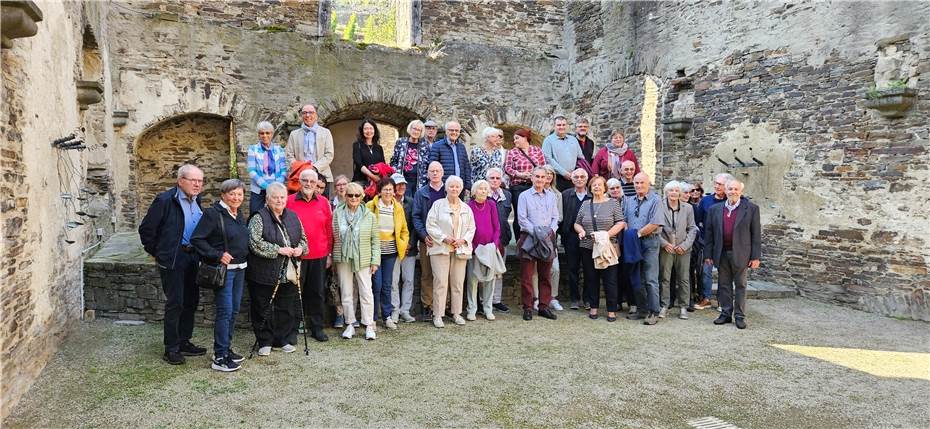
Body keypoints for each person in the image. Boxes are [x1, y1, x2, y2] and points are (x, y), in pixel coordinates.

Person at [139, 164, 206, 365]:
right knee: (175, 303)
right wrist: (160, 254)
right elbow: (146, 231)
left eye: (200, 181)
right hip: (174, 259)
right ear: (180, 181)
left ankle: (184, 341)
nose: (197, 184)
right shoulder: (165, 200)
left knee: (191, 301)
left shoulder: (197, 200)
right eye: (193, 180)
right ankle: (171, 348)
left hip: (192, 257)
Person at [190, 179, 249, 372]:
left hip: (240, 268)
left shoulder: (237, 212)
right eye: (232, 194)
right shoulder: (213, 214)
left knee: (233, 311)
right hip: (224, 272)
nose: (236, 197)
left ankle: (226, 348)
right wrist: (217, 255)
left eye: (239, 194)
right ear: (223, 194)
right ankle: (220, 357)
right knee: (225, 312)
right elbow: (197, 239)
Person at [247, 182, 308, 355]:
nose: (279, 200)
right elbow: (254, 243)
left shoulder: (293, 216)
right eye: (275, 197)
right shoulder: (259, 217)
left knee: (286, 307)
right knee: (262, 306)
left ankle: (282, 340)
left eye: (282, 197)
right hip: (264, 271)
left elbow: (304, 239)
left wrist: (300, 249)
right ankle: (265, 341)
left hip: (288, 271)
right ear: (267, 199)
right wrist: (278, 250)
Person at [704, 179, 761, 330]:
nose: (733, 192)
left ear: (741, 191)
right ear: (725, 190)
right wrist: (708, 255)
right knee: (724, 285)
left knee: (741, 285)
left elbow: (756, 234)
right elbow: (709, 234)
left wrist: (755, 257)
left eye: (736, 189)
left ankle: (740, 316)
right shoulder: (715, 209)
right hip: (721, 253)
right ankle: (725, 313)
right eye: (730, 189)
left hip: (742, 253)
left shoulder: (751, 209)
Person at [286, 169, 333, 342]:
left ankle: (317, 328)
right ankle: (291, 330)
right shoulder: (289, 202)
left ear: (316, 185)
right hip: (296, 256)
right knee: (294, 294)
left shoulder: (323, 202)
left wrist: (329, 254)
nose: (308, 184)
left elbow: (328, 230)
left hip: (319, 255)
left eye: (312, 182)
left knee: (317, 293)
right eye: (305, 181)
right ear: (299, 182)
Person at [332, 182, 380, 340]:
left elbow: (375, 240)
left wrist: (375, 261)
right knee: (346, 292)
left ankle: (368, 325)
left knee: (366, 292)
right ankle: (350, 324)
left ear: (362, 197)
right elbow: (332, 237)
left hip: (364, 258)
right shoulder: (337, 214)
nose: (353, 198)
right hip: (343, 258)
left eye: (356, 195)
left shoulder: (370, 216)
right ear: (345, 196)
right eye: (350, 195)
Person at [574, 175, 626, 321]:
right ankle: (594, 308)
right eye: (594, 185)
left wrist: (605, 235)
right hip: (588, 246)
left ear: (605, 188)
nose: (596, 187)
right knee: (591, 278)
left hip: (607, 246)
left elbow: (621, 223)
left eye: (599, 185)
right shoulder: (585, 204)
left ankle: (611, 310)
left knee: (610, 279)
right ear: (590, 188)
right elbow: (577, 223)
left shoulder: (613, 203)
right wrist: (581, 231)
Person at [426, 175, 476, 328]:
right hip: (441, 248)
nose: (454, 189)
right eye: (451, 186)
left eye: (457, 187)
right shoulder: (438, 205)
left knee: (457, 282)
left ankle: (456, 313)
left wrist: (463, 240)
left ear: (461, 189)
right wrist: (444, 238)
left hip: (459, 249)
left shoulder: (466, 208)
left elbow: (471, 228)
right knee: (440, 282)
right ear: (446, 188)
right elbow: (431, 225)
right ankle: (438, 315)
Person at [366, 177, 409, 331]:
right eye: (385, 189)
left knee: (387, 285)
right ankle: (373, 318)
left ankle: (387, 317)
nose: (388, 192)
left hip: (391, 252)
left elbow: (404, 229)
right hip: (376, 253)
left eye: (391, 189)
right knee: (376, 286)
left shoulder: (397, 208)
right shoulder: (371, 206)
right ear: (380, 191)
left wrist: (402, 244)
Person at [517, 167, 560, 321]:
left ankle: (544, 307)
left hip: (547, 240)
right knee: (527, 276)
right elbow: (522, 219)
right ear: (532, 178)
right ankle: (528, 308)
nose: (540, 179)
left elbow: (555, 217)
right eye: (537, 176)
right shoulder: (524, 196)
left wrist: (551, 232)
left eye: (543, 177)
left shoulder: (551, 197)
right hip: (529, 238)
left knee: (545, 275)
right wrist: (538, 233)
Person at [623, 172, 663, 325]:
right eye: (636, 183)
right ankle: (642, 309)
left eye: (642, 183)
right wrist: (629, 234)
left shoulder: (656, 200)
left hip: (650, 242)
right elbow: (625, 220)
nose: (639, 185)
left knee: (650, 278)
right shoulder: (629, 200)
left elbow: (655, 223)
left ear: (648, 183)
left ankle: (654, 312)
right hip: (633, 242)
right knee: (636, 277)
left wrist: (637, 234)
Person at [658, 181, 698, 320]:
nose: (673, 193)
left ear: (680, 193)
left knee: (684, 278)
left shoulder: (688, 208)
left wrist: (685, 245)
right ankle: (664, 305)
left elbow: (692, 228)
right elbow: (656, 228)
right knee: (664, 278)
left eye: (676, 190)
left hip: (683, 249)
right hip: (666, 248)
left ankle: (683, 307)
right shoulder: (660, 206)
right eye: (671, 190)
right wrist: (664, 244)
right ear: (666, 192)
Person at [412, 162, 446, 321]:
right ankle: (427, 305)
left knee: (444, 275)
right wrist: (423, 235)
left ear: (442, 173)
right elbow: (416, 216)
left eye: (437, 171)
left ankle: (444, 306)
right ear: (427, 174)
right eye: (432, 171)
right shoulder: (421, 193)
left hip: (446, 241)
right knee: (427, 273)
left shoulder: (449, 190)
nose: (435, 173)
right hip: (428, 240)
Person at [695, 173, 734, 309]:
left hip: (725, 244)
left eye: (720, 184)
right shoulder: (706, 201)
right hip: (708, 243)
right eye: (716, 183)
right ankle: (706, 298)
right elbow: (698, 220)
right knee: (706, 271)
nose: (717, 186)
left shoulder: (730, 202)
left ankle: (721, 301)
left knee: (725, 273)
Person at [465, 179, 501, 321]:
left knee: (489, 280)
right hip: (475, 249)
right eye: (480, 189)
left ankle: (488, 309)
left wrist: (494, 244)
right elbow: (467, 228)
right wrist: (473, 247)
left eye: (485, 189)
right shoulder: (469, 206)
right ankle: (472, 309)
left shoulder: (491, 205)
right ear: (474, 191)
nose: (483, 191)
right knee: (473, 280)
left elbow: (497, 227)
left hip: (490, 249)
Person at [504, 128, 545, 242]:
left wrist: (535, 176)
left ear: (525, 138)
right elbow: (507, 168)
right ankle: (520, 242)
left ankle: (534, 240)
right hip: (518, 187)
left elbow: (543, 167)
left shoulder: (537, 150)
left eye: (517, 138)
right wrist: (520, 174)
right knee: (520, 215)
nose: (515, 141)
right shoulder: (512, 152)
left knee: (534, 214)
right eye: (514, 139)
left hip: (534, 186)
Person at [286, 103, 335, 195]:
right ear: (301, 115)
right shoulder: (294, 134)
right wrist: (300, 168)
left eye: (311, 112)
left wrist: (314, 167)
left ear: (316, 115)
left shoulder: (326, 132)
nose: (307, 115)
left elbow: (329, 154)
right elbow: (289, 155)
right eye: (304, 113)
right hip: (300, 177)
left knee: (321, 206)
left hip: (322, 175)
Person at [533, 165, 563, 310]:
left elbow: (559, 216)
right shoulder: (530, 193)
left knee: (554, 269)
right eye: (546, 173)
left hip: (550, 236)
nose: (549, 176)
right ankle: (537, 298)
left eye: (551, 173)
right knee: (535, 269)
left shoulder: (557, 195)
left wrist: (550, 230)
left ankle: (552, 297)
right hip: (534, 235)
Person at [560, 168, 591, 309]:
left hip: (589, 237)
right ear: (572, 180)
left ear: (586, 179)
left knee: (588, 269)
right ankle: (574, 299)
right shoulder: (565, 195)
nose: (579, 179)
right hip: (571, 237)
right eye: (576, 177)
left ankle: (587, 299)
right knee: (572, 268)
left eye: (582, 177)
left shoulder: (592, 195)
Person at [390, 173, 417, 323]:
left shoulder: (411, 202)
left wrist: (409, 243)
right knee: (394, 281)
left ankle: (405, 310)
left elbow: (414, 225)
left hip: (409, 248)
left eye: (403, 185)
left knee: (408, 280)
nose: (401, 187)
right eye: (398, 184)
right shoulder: (387, 203)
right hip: (393, 248)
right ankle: (395, 310)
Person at [486, 168, 513, 313]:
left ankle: (496, 300)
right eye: (492, 178)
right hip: (486, 240)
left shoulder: (507, 195)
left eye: (497, 178)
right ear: (487, 180)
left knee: (499, 271)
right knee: (485, 270)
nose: (495, 181)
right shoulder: (482, 193)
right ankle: (484, 301)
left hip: (503, 238)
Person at [247, 121, 287, 215]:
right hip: (259, 190)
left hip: (276, 190)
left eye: (267, 133)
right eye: (262, 133)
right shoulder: (253, 149)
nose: (264, 136)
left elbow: (283, 171)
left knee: (277, 215)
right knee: (255, 214)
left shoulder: (279, 150)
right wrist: (267, 186)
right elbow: (252, 171)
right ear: (258, 135)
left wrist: (275, 185)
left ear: (272, 134)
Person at [542, 115, 584, 191]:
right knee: (559, 201)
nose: (561, 127)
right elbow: (548, 159)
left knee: (572, 201)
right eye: (559, 125)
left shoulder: (573, 139)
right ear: (554, 126)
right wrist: (564, 173)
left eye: (563, 125)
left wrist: (577, 172)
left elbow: (580, 157)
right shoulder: (548, 141)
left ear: (567, 126)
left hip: (573, 178)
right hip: (557, 179)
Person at [427, 120, 472, 191]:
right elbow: (432, 167)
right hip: (444, 187)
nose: (454, 132)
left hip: (459, 187)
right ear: (446, 131)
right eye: (451, 130)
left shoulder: (461, 147)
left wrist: (468, 185)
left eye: (457, 131)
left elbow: (466, 167)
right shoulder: (437, 146)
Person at [389, 119, 430, 196]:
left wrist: (426, 176)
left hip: (419, 180)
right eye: (414, 129)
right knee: (405, 202)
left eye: (419, 130)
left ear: (421, 132)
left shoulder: (424, 145)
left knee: (417, 202)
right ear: (410, 129)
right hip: (403, 179)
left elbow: (427, 163)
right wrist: (396, 173)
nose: (416, 131)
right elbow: (393, 160)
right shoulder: (401, 142)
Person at [352, 118, 386, 185]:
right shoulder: (357, 145)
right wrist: (373, 177)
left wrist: (378, 173)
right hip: (361, 181)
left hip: (376, 182)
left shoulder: (379, 148)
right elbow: (359, 164)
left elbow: (383, 165)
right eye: (366, 129)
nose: (369, 131)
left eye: (371, 128)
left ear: (375, 130)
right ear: (362, 131)